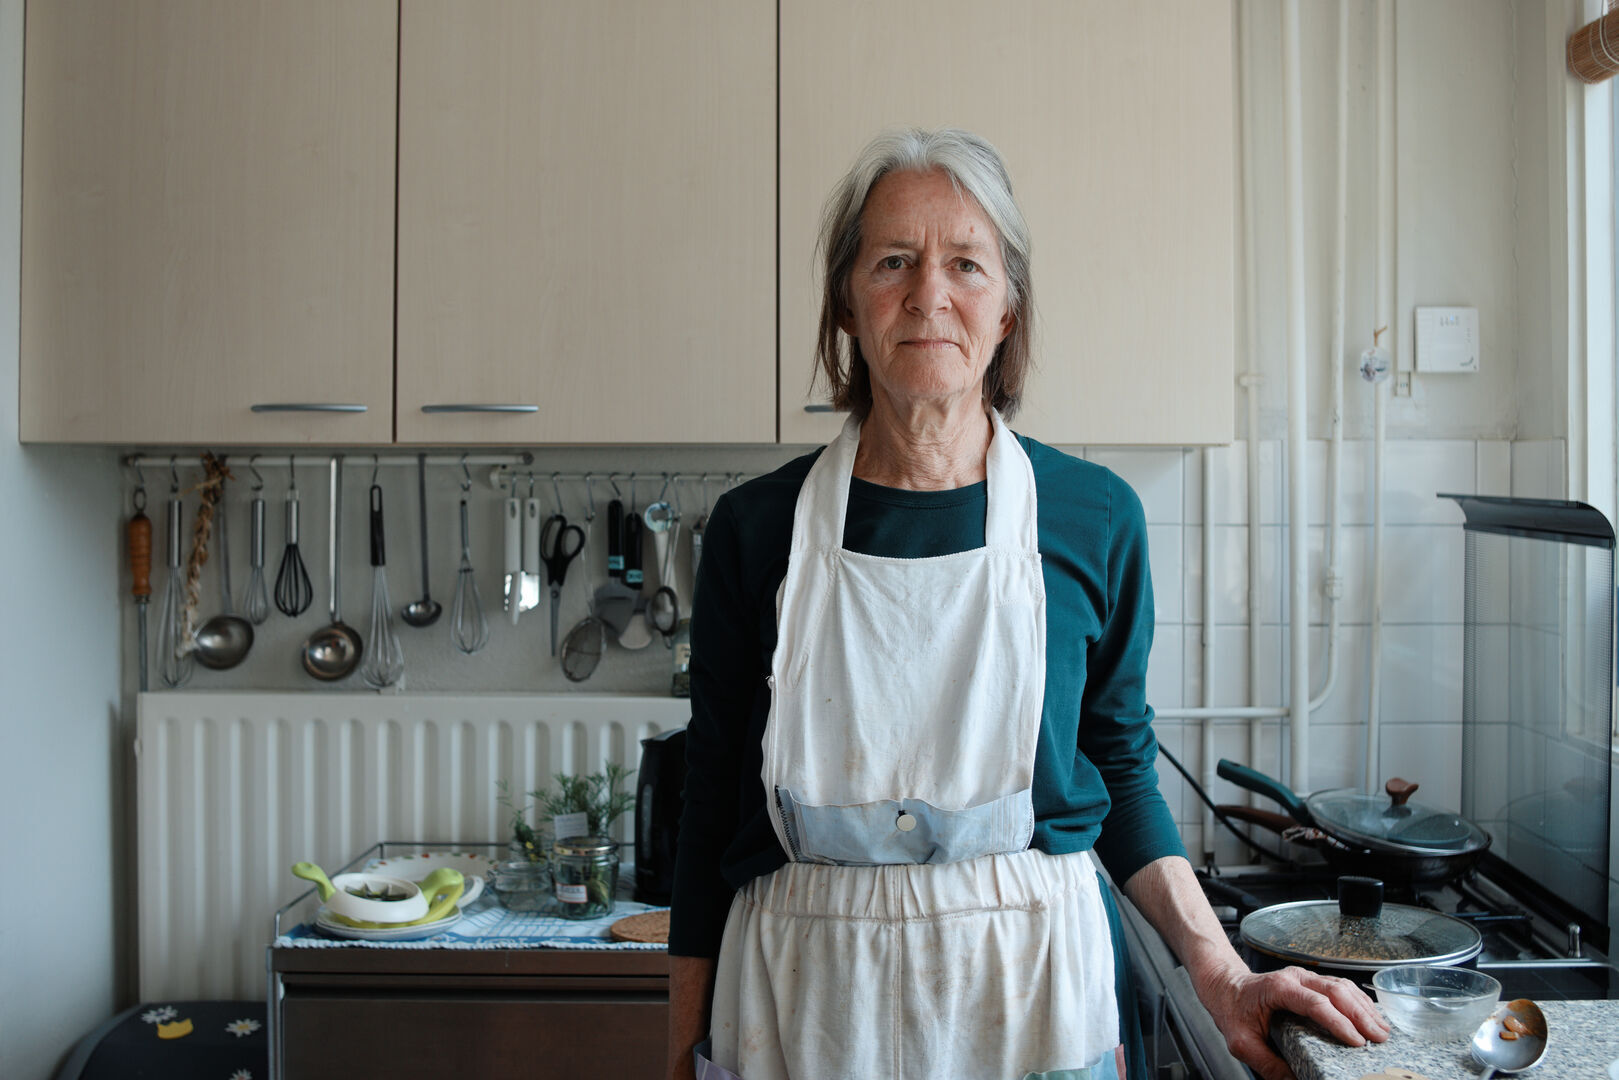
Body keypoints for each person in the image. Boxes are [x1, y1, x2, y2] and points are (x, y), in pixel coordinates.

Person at [667, 127, 1387, 1080]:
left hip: (1028, 996)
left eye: (965, 263)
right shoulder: (756, 531)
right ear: (847, 301)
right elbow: (712, 798)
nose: (929, 294)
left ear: (1007, 309)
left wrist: (1220, 970)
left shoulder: (1093, 519)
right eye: (892, 262)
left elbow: (1120, 767)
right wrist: (679, 1049)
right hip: (802, 1003)